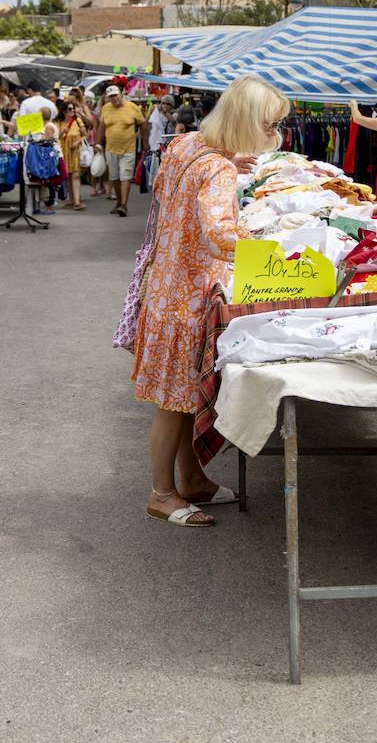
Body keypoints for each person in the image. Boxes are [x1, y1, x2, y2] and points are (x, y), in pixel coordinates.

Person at [132, 74, 284, 527]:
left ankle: (191, 479)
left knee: (178, 399)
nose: (275, 135)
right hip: (189, 296)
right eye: (272, 125)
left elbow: (166, 200)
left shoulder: (186, 145)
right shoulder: (218, 167)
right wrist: (269, 249)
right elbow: (218, 235)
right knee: (174, 401)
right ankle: (162, 493)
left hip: (166, 287)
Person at [98, 84, 145, 216]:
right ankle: (119, 202)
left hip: (128, 149)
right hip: (111, 149)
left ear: (121, 94)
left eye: (115, 95)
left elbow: (143, 124)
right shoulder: (106, 108)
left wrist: (145, 143)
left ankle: (124, 205)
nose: (114, 99)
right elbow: (101, 127)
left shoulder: (132, 107)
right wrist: (98, 143)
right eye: (111, 97)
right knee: (115, 178)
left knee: (125, 177)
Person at [59, 99, 87, 210]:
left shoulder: (78, 121)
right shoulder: (59, 123)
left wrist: (77, 142)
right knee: (68, 176)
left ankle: (77, 201)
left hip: (75, 152)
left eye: (73, 109)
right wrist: (62, 132)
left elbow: (85, 135)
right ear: (64, 111)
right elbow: (55, 137)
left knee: (75, 175)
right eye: (70, 109)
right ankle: (71, 201)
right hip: (64, 151)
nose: (72, 111)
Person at [146, 95, 175, 187]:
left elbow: (174, 122)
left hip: (169, 145)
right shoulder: (156, 113)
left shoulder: (174, 114)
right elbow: (147, 123)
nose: (165, 105)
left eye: (168, 104)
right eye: (163, 103)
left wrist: (166, 112)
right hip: (156, 144)